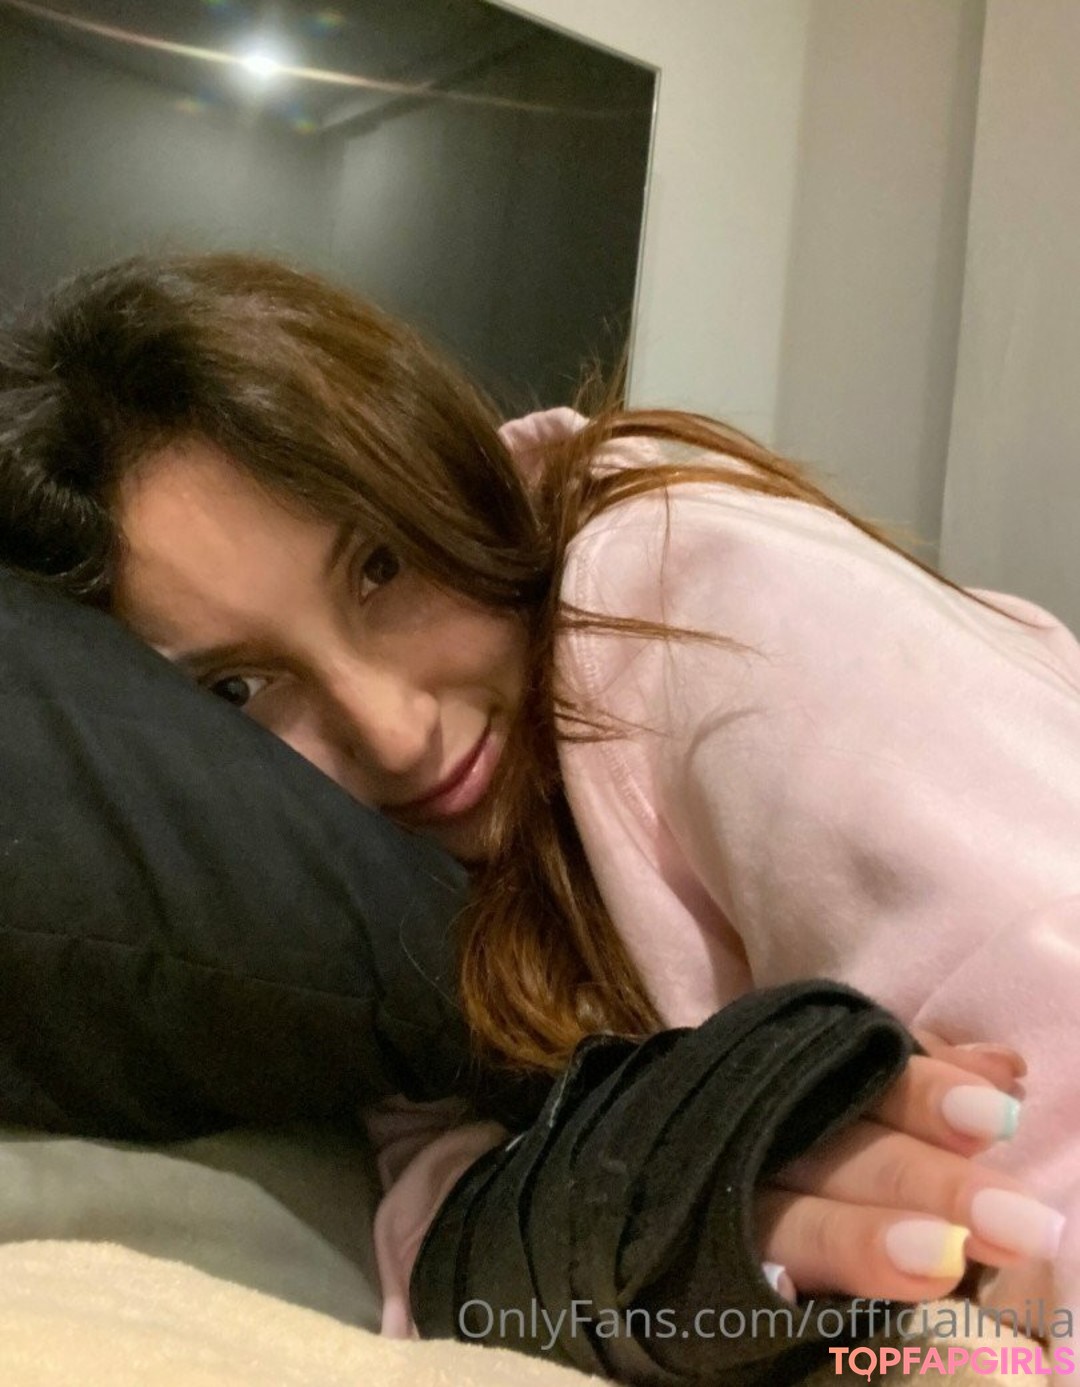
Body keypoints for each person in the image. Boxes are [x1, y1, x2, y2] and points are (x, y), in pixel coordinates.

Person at [0, 253, 1074, 1382]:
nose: (394, 732)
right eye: (238, 687)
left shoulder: (677, 587)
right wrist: (635, 1211)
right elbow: (435, 1184)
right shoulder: (362, 909)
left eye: (380, 568)